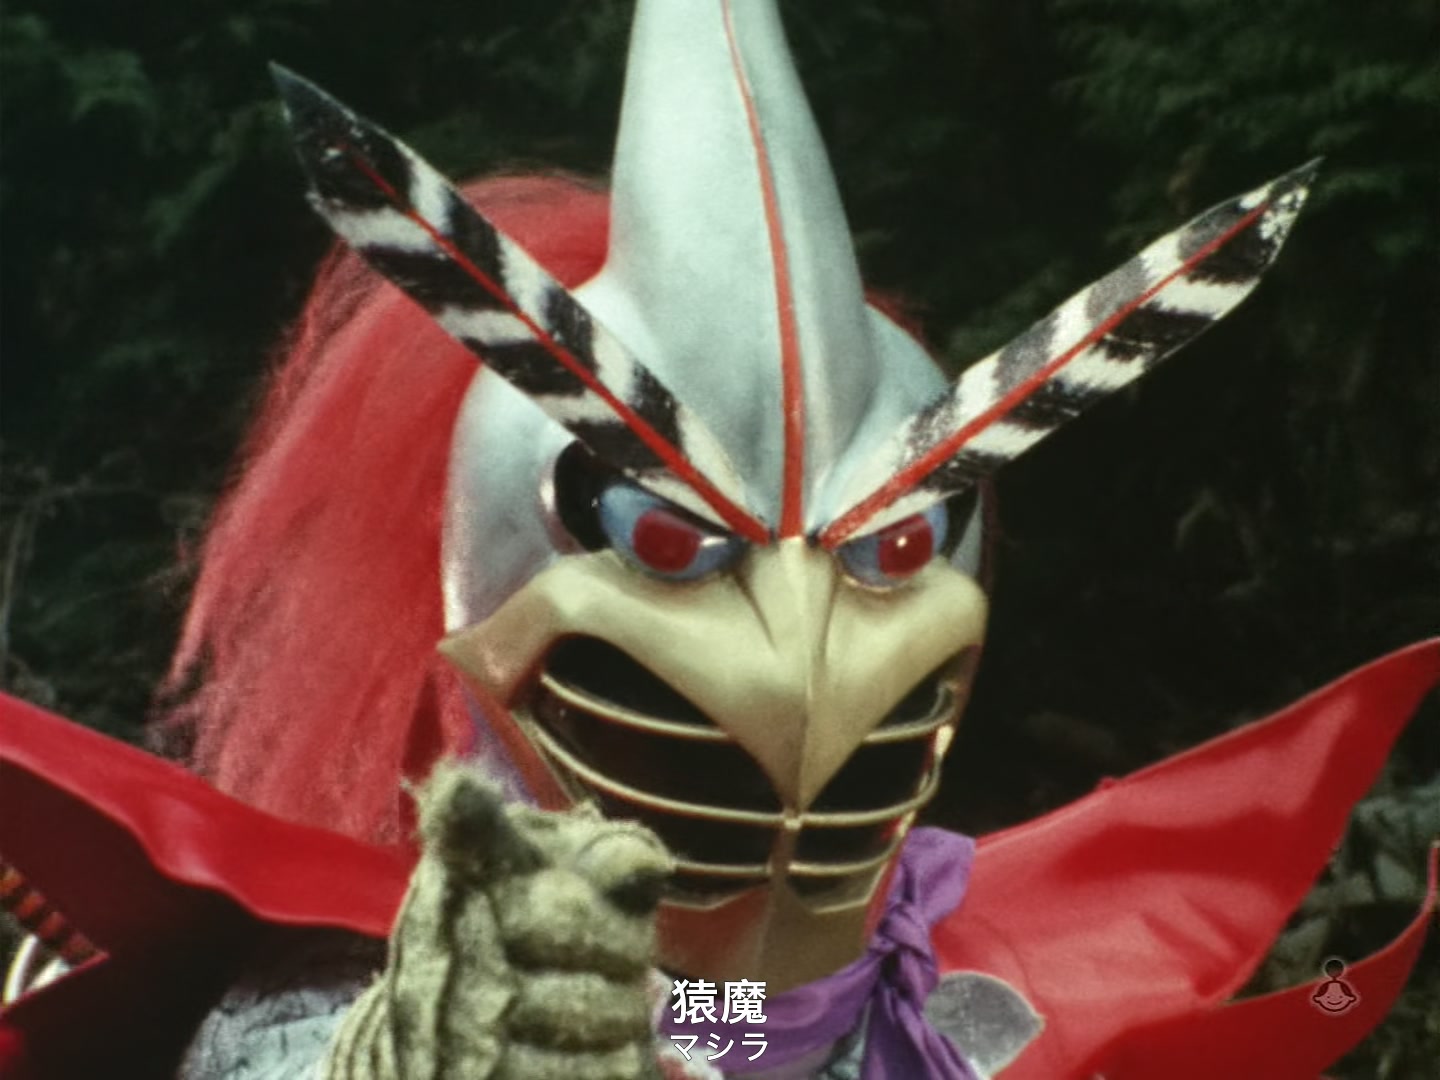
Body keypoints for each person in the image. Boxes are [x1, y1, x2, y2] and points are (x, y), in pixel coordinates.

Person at [2, 1, 1435, 1077]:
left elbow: (745, 1016)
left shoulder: (957, 1010)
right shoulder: (328, 1019)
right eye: (671, 538)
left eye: (888, 546)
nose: (794, 633)